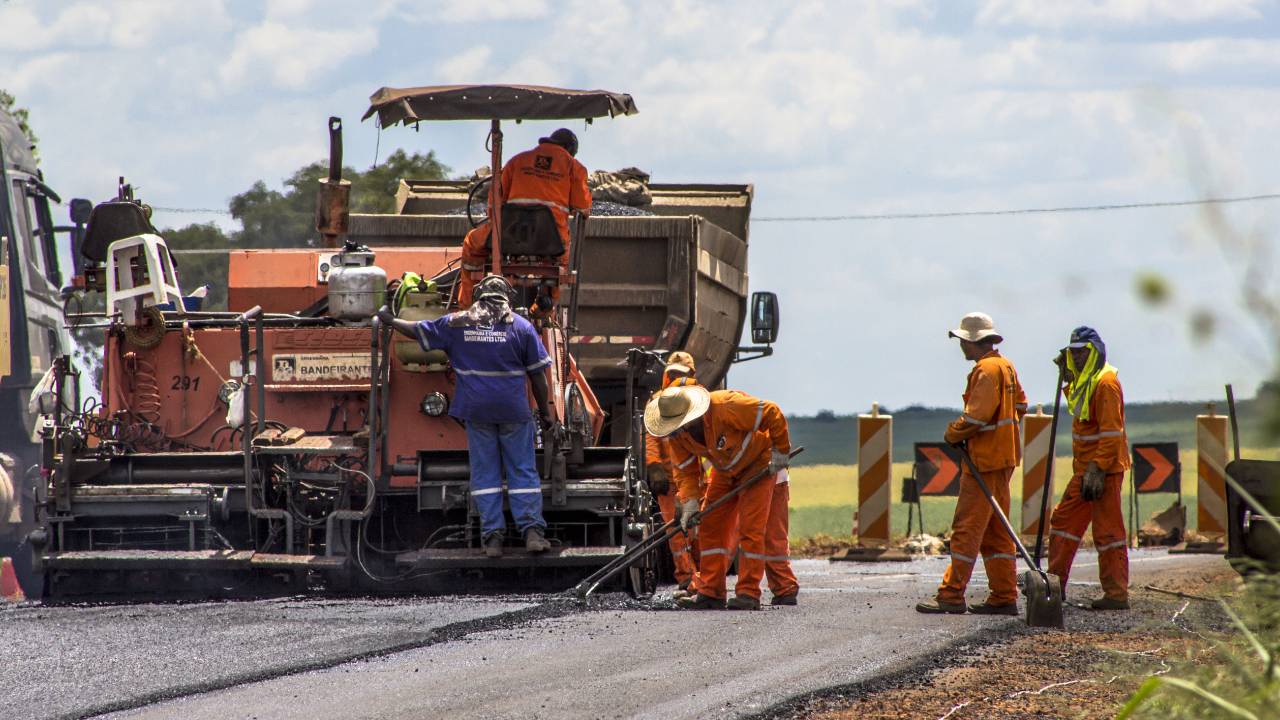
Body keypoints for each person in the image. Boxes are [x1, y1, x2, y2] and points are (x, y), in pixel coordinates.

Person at [377, 274, 553, 557]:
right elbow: (539, 378)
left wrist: (389, 320)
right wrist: (546, 415)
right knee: (522, 470)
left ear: (478, 295)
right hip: (513, 412)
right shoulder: (522, 328)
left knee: (485, 473)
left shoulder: (456, 324)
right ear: (507, 298)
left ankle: (492, 539)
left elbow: (416, 329)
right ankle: (532, 533)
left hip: (477, 412)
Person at [645, 384, 799, 610]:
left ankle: (748, 593)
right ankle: (711, 591)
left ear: (690, 416)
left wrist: (780, 451)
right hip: (725, 471)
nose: (676, 432)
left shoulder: (727, 406)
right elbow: (686, 472)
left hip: (758, 464)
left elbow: (772, 412)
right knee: (710, 525)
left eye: (678, 426)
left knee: (751, 529)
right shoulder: (680, 436)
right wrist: (689, 503)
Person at [917, 312, 1027, 616]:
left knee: (967, 528)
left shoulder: (986, 370)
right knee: (996, 531)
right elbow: (1021, 405)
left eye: (964, 341)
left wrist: (953, 432)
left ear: (975, 341)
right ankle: (1004, 595)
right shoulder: (1006, 366)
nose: (962, 346)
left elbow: (976, 417)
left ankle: (951, 594)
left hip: (984, 460)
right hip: (1003, 459)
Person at [457, 128, 591, 306]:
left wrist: (497, 225)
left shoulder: (518, 161)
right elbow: (582, 207)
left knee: (471, 243)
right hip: (552, 242)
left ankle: (467, 306)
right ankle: (545, 308)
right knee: (558, 267)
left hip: (508, 237)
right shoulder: (574, 167)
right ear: (569, 149)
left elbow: (493, 203)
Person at [1047, 326, 1131, 610]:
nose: (1078, 357)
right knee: (1063, 523)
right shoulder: (1088, 381)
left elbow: (1111, 432)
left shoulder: (1106, 383)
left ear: (1095, 352)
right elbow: (1081, 409)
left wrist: (1099, 467)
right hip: (1086, 469)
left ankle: (1116, 594)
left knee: (1107, 532)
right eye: (1074, 353)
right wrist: (1068, 380)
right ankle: (1053, 587)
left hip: (1102, 469)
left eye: (1083, 352)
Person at [645, 352, 701, 593]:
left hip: (694, 478)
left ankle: (705, 578)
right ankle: (687, 577)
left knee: (699, 530)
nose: (677, 378)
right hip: (669, 480)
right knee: (676, 532)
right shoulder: (658, 402)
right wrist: (654, 467)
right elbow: (651, 437)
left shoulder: (700, 401)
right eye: (674, 373)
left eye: (682, 374)